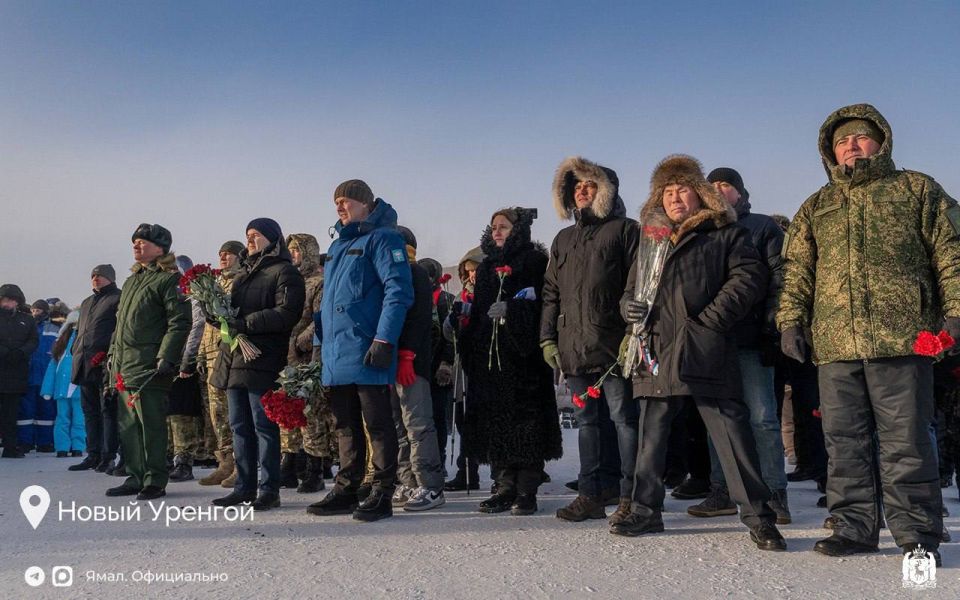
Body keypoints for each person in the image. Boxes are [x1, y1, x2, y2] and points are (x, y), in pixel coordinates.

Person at [778, 103, 960, 564]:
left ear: (881, 141)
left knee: (907, 440)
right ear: (830, 153)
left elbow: (952, 253)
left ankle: (918, 535)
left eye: (859, 138)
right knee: (844, 441)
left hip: (902, 339)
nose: (851, 146)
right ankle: (853, 526)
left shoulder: (917, 189)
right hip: (836, 344)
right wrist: (790, 321)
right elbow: (797, 270)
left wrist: (955, 313)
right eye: (842, 142)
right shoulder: (817, 204)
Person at [614, 155, 785, 552]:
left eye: (683, 189)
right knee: (651, 437)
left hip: (705, 345)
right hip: (655, 346)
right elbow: (630, 291)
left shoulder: (723, 231)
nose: (675, 197)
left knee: (731, 432)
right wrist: (629, 307)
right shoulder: (651, 240)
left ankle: (760, 518)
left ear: (699, 194)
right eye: (668, 191)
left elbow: (749, 277)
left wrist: (709, 321)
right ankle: (645, 510)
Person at [687, 167, 790, 524]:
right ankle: (723, 490)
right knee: (718, 421)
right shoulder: (702, 230)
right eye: (711, 186)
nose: (718, 190)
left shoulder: (763, 226)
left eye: (725, 185)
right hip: (712, 340)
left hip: (751, 337)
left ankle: (775, 492)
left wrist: (773, 328)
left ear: (740, 193)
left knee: (762, 418)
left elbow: (780, 279)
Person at [308, 180, 413, 523]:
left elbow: (398, 291)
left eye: (346, 200)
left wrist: (384, 340)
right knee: (344, 424)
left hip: (366, 348)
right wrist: (320, 349)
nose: (340, 206)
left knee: (378, 424)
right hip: (337, 353)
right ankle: (347, 488)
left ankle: (381, 491)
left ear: (366, 203)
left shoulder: (384, 239)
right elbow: (327, 304)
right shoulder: (338, 247)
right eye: (336, 201)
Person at [542, 156, 639, 525]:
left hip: (614, 343)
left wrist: (633, 332)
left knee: (624, 419)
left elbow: (638, 282)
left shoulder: (626, 230)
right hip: (574, 345)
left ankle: (631, 495)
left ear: (606, 190)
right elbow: (551, 291)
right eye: (576, 186)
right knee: (587, 422)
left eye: (589, 185)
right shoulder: (563, 239)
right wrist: (547, 338)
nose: (581, 190)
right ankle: (591, 494)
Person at [457, 207, 563, 515]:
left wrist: (514, 312)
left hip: (524, 359)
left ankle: (526, 490)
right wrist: (465, 328)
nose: (497, 232)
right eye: (493, 228)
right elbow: (478, 313)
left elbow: (546, 306)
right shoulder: (488, 267)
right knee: (496, 423)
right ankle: (503, 486)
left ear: (517, 230)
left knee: (526, 424)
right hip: (491, 363)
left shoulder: (535, 262)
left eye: (503, 226)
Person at [210, 218, 306, 511]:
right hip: (235, 356)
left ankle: (269, 489)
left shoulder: (284, 272)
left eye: (257, 235)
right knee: (239, 426)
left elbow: (287, 313)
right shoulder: (242, 275)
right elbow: (233, 313)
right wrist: (220, 317)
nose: (250, 240)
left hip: (262, 357)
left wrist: (246, 323)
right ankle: (244, 486)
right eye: (248, 235)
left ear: (273, 239)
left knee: (263, 426)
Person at [106, 224, 191, 501]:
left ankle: (155, 479)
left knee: (151, 425)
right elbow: (120, 327)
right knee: (129, 427)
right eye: (135, 242)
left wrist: (167, 356)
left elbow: (179, 322)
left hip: (150, 366)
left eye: (143, 242)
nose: (137, 246)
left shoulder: (168, 279)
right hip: (125, 366)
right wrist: (111, 358)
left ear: (160, 248)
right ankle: (135, 475)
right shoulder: (131, 282)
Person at [391, 226, 446, 511]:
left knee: (418, 425)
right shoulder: (388, 275)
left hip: (412, 363)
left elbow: (420, 321)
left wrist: (408, 356)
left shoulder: (415, 274)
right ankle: (408, 481)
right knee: (399, 426)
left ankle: (430, 485)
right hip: (388, 362)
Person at [281, 233, 335, 493]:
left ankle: (316, 467)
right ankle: (290, 461)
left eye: (297, 251)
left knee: (311, 413)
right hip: (287, 358)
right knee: (286, 411)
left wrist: (300, 341)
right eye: (290, 250)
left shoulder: (319, 282)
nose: (293, 256)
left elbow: (320, 318)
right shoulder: (289, 281)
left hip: (309, 357)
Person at [197, 241, 244, 487]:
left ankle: (240, 462)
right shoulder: (214, 284)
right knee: (217, 414)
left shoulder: (242, 279)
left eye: (228, 253)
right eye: (220, 254)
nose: (223, 257)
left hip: (231, 353)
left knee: (234, 412)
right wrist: (201, 354)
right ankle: (224, 461)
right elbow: (206, 323)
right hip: (212, 355)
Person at [69, 264, 122, 472]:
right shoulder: (87, 302)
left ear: (110, 278)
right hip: (84, 363)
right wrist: (75, 350)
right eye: (93, 276)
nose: (96, 279)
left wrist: (110, 353)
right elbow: (80, 331)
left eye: (100, 276)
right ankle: (93, 453)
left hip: (103, 363)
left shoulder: (117, 298)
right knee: (89, 411)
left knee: (107, 410)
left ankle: (108, 455)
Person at [443, 246, 485, 491]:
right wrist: (453, 321)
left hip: (485, 366)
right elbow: (449, 335)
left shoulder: (492, 293)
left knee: (484, 420)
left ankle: (502, 473)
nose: (472, 277)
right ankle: (467, 469)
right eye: (468, 272)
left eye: (476, 271)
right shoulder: (462, 296)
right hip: (464, 367)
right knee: (463, 421)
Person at [167, 254, 207, 482]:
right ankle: (170, 456)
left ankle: (184, 460)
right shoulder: (164, 294)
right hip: (167, 357)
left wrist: (188, 358)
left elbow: (197, 325)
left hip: (184, 357)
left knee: (182, 412)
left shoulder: (192, 294)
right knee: (168, 412)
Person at [417, 256, 456, 478]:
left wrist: (446, 363)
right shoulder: (415, 296)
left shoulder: (445, 300)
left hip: (438, 368)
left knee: (438, 418)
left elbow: (450, 337)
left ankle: (439, 462)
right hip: (419, 365)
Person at [0, 284, 38, 457]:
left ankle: (10, 446)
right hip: (2, 364)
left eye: (11, 300)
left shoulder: (27, 320)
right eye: (4, 299)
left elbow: (33, 340)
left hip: (17, 371)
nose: (7, 303)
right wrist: (5, 352)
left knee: (11, 412)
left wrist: (21, 352)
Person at [41, 310, 85, 457]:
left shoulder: (84, 342)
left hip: (78, 388)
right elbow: (52, 369)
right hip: (62, 389)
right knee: (62, 419)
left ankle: (78, 446)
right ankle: (62, 447)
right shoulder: (60, 347)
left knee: (78, 419)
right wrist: (47, 389)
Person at [18, 299, 59, 453]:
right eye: (34, 310)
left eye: (39, 310)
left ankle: (45, 442)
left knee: (46, 411)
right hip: (28, 375)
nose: (35, 313)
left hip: (46, 377)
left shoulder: (55, 328)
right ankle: (25, 441)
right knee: (25, 411)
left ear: (46, 312)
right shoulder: (26, 327)